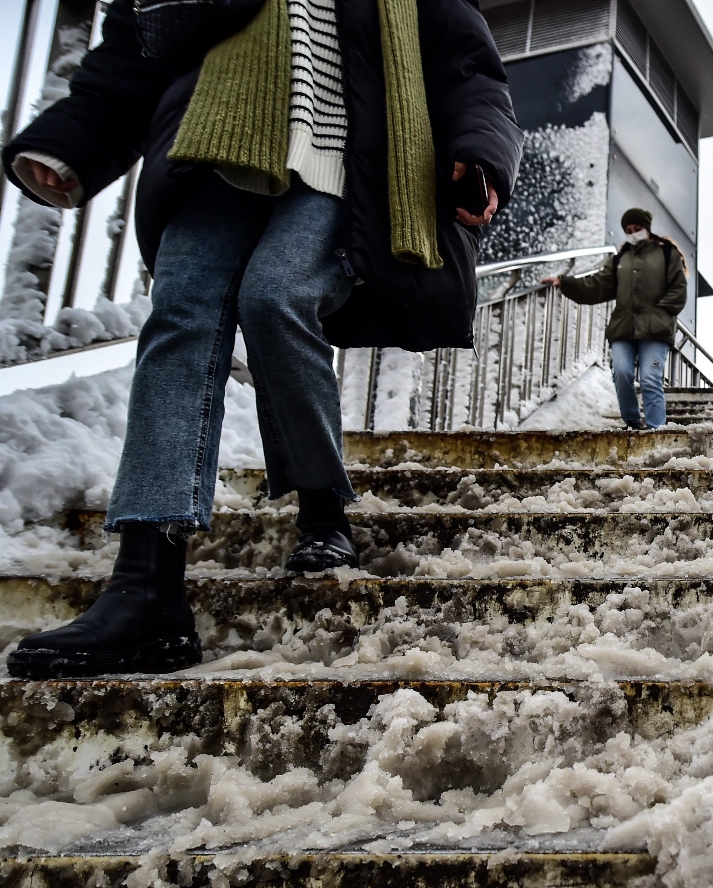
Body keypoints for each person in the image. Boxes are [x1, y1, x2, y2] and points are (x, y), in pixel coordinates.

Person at [2, 0, 521, 680]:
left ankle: (322, 506)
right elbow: (137, 45)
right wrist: (72, 138)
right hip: (218, 136)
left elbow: (465, 64)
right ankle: (146, 584)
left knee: (277, 297)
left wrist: (478, 151)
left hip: (345, 153)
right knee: (181, 312)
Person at [543, 208, 687, 430]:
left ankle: (656, 428)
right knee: (621, 372)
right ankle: (631, 421)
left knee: (650, 377)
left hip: (656, 330)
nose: (632, 233)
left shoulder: (667, 254)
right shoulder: (621, 259)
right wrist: (566, 282)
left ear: (647, 228)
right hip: (623, 329)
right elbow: (598, 285)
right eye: (628, 230)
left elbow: (678, 289)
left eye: (637, 229)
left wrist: (660, 312)